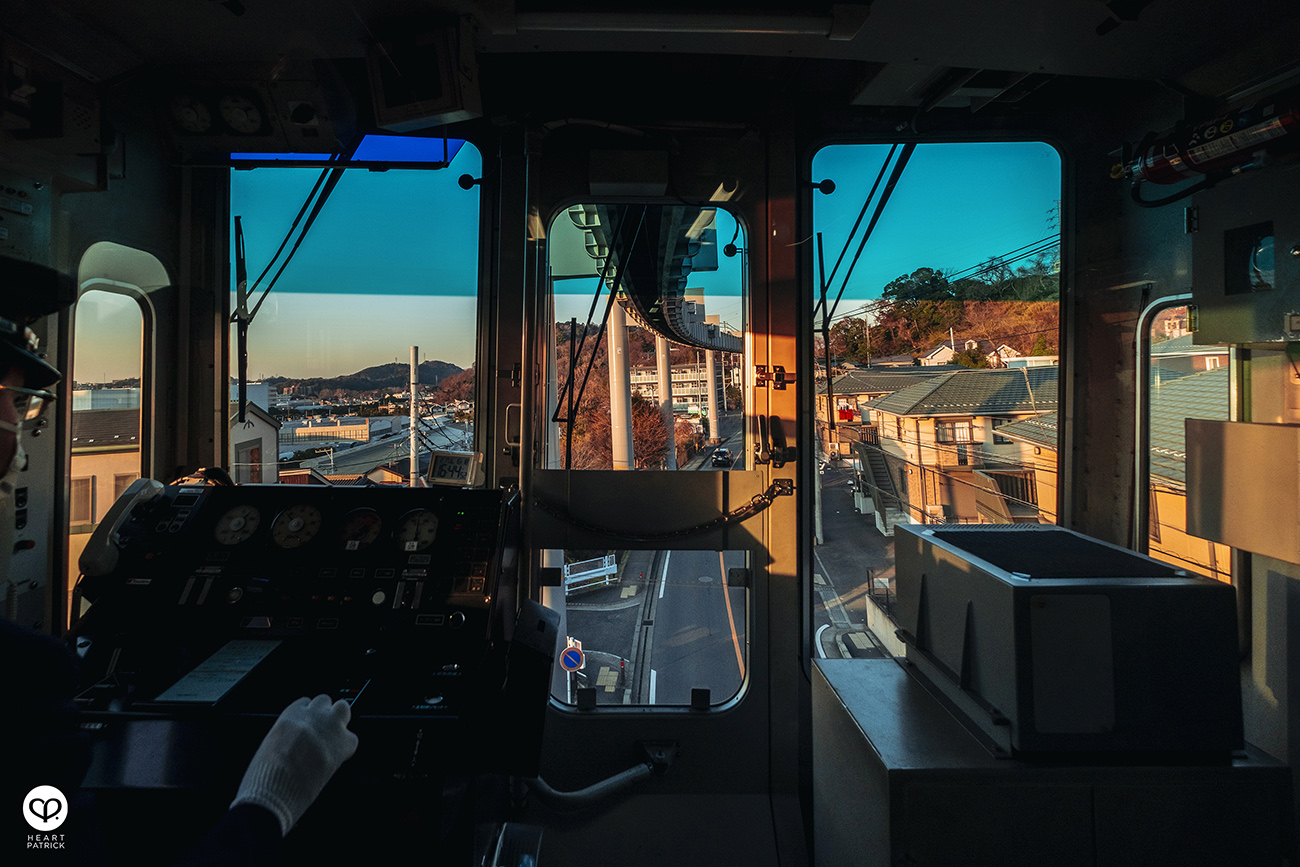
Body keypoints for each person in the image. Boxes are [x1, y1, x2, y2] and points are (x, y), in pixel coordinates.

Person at [0, 308, 359, 863]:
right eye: (13, 407)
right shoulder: (25, 678)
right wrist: (269, 804)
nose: (18, 448)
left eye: (26, 408)